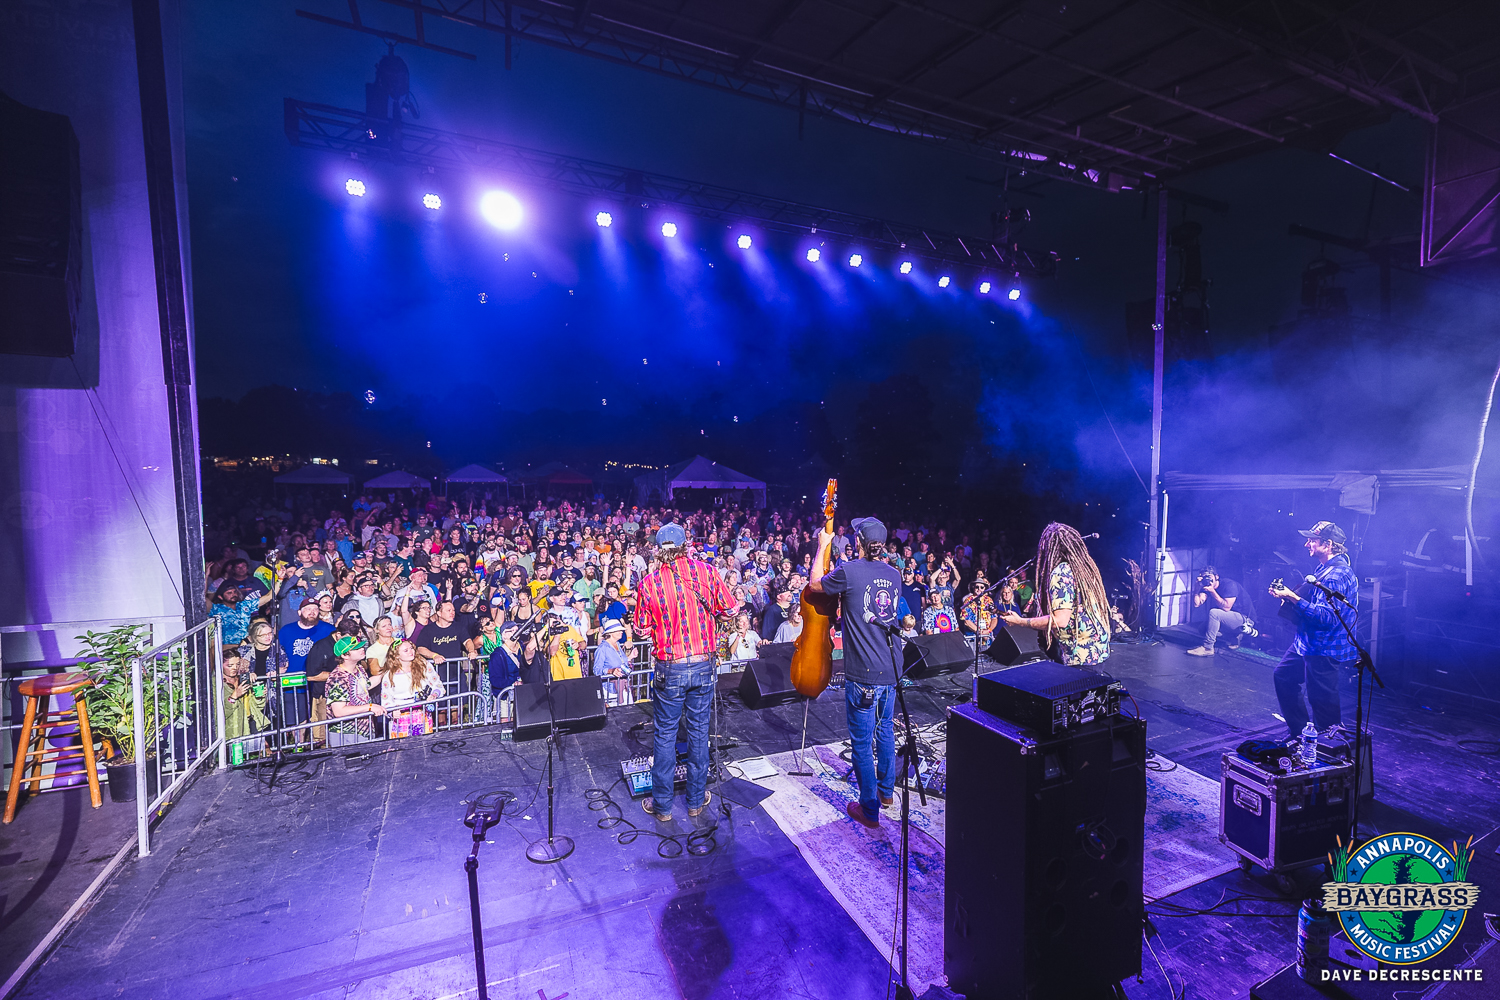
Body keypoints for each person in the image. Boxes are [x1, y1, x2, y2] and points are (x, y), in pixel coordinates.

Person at [633, 522, 738, 822]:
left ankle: (663, 807)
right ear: (687, 544)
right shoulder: (707, 572)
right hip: (703, 664)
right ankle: (694, 802)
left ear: (658, 548)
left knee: (665, 736)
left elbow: (641, 628)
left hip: (670, 666)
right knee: (698, 733)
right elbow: (730, 610)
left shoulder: (649, 583)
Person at [807, 516, 902, 830]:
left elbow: (815, 585)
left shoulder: (849, 572)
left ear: (859, 541)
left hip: (863, 673)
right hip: (891, 668)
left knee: (861, 742)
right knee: (884, 730)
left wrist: (822, 546)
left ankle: (870, 808)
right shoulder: (894, 574)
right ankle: (887, 794)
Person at [1268, 521, 1357, 750]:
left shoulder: (1336, 576)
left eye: (1312, 540)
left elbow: (1327, 619)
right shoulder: (1324, 568)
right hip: (1307, 643)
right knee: (1284, 677)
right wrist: (1288, 597)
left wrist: (1294, 598)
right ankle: (1299, 734)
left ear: (1328, 545)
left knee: (1322, 702)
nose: (1307, 544)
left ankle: (1329, 751)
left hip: (1323, 648)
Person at [999, 523, 1111, 667]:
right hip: (1097, 649)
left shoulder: (1061, 572)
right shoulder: (1084, 568)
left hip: (1080, 655)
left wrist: (1020, 621)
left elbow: (1060, 620)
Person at [276, 598, 335, 734]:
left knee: (320, 720)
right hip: (293, 683)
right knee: (297, 720)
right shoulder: (286, 630)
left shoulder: (328, 630)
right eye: (308, 609)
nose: (312, 612)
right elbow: (277, 653)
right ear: (299, 612)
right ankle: (299, 749)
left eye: (315, 609)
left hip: (319, 684)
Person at [325, 635, 384, 747]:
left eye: (361, 647)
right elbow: (339, 712)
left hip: (363, 728)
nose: (362, 649)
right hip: (346, 733)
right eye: (356, 649)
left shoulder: (359, 668)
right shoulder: (338, 678)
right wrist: (370, 707)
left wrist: (388, 672)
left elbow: (365, 685)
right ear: (344, 655)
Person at [1186, 566, 1258, 656]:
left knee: (1214, 613)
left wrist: (1212, 591)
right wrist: (1196, 588)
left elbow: (1226, 607)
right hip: (1229, 619)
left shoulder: (1229, 585)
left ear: (1216, 577)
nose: (1208, 579)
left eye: (1209, 576)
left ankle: (1208, 648)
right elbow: (1197, 604)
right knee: (1203, 628)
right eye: (1205, 577)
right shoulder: (1206, 586)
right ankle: (1233, 637)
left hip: (1245, 619)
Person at [379, 639, 444, 737]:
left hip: (422, 715)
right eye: (406, 650)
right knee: (402, 749)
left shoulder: (424, 666)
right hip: (401, 718)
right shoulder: (389, 675)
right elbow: (386, 699)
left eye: (411, 648)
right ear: (396, 655)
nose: (411, 652)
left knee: (424, 747)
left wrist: (434, 695)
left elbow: (438, 685)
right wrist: (391, 712)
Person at [593, 620, 634, 706]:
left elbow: (620, 662)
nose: (621, 632)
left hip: (624, 686)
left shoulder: (618, 644)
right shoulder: (602, 649)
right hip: (611, 690)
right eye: (618, 630)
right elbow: (596, 670)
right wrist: (610, 671)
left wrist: (630, 657)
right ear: (610, 633)